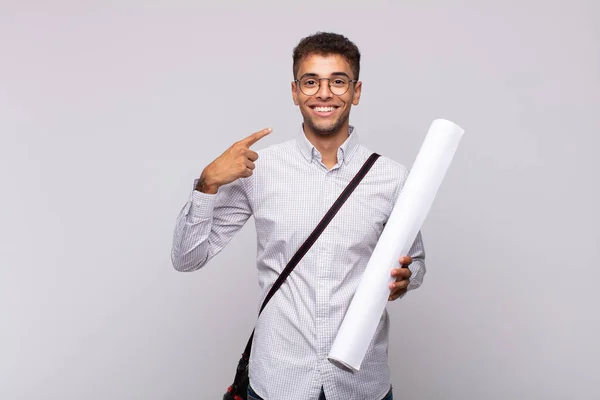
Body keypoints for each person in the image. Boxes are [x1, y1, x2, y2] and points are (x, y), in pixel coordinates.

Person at [171, 32, 426, 400]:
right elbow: (187, 258)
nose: (324, 93)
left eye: (338, 81)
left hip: (360, 382)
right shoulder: (259, 170)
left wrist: (406, 278)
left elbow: (414, 262)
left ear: (355, 92)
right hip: (279, 381)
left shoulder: (391, 177)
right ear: (295, 92)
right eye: (311, 82)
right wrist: (207, 183)